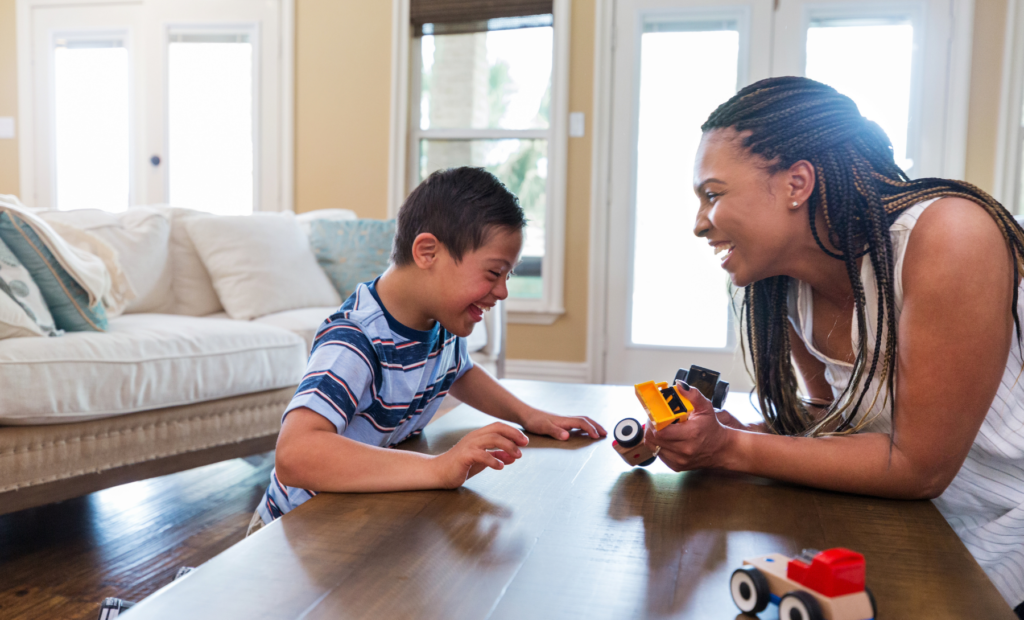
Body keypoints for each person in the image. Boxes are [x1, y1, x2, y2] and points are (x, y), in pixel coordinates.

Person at [645, 76, 1024, 613]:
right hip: (926, 528)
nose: (700, 225)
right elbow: (829, 426)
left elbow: (919, 467)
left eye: (713, 194)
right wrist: (729, 432)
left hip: (1009, 532)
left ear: (797, 182)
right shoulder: (787, 284)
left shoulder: (949, 235)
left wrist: (731, 451)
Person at [250, 167, 606, 534]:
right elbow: (295, 455)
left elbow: (460, 372)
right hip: (292, 533)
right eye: (493, 273)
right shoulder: (355, 341)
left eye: (508, 276)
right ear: (428, 252)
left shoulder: (439, 325)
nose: (502, 292)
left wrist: (529, 415)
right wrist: (440, 468)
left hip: (356, 516)